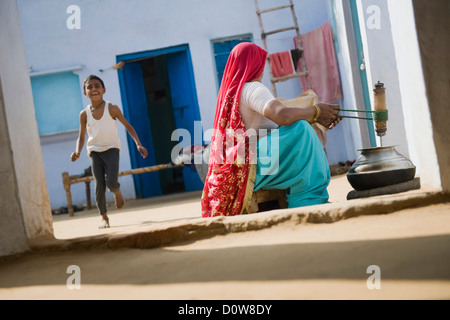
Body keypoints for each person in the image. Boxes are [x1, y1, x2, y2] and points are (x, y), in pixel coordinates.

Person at [201, 42, 342, 218]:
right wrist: (316, 111)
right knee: (302, 130)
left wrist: (318, 117)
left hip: (237, 169)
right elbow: (282, 115)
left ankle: (306, 197)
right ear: (255, 65)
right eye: (260, 64)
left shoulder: (231, 94)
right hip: (254, 166)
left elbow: (276, 125)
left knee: (301, 128)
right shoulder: (253, 88)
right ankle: (309, 201)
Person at [71, 75, 148, 228]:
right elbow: (81, 136)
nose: (93, 89)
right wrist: (77, 151)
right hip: (94, 151)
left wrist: (138, 144)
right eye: (89, 87)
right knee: (99, 184)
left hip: (112, 149)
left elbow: (128, 126)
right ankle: (104, 217)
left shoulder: (112, 108)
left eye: (97, 86)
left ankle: (116, 191)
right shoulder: (84, 114)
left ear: (103, 90)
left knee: (111, 182)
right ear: (85, 92)